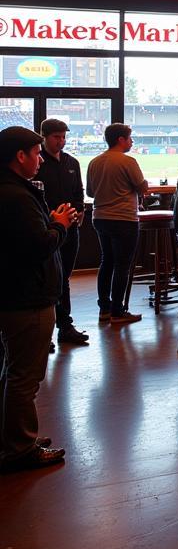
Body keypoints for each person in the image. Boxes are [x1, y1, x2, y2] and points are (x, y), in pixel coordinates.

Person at [0, 126, 77, 472]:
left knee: (13, 371)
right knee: (25, 376)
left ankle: (15, 435)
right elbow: (39, 245)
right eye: (35, 153)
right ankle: (19, 447)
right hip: (27, 297)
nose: (40, 159)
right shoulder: (15, 196)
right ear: (20, 157)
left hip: (17, 292)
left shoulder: (13, 190)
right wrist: (60, 225)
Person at [87, 123, 148, 323]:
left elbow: (89, 193)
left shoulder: (95, 162)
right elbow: (141, 187)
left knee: (107, 262)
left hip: (100, 217)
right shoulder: (128, 161)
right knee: (123, 266)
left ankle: (104, 307)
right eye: (130, 138)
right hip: (123, 218)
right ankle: (117, 311)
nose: (132, 142)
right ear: (121, 140)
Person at [37, 118, 88, 346]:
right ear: (44, 137)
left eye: (64, 137)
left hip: (70, 229)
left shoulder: (72, 162)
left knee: (64, 278)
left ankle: (65, 326)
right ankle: (43, 332)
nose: (61, 141)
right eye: (57, 137)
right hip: (45, 229)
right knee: (45, 279)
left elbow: (79, 192)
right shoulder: (37, 163)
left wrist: (77, 212)